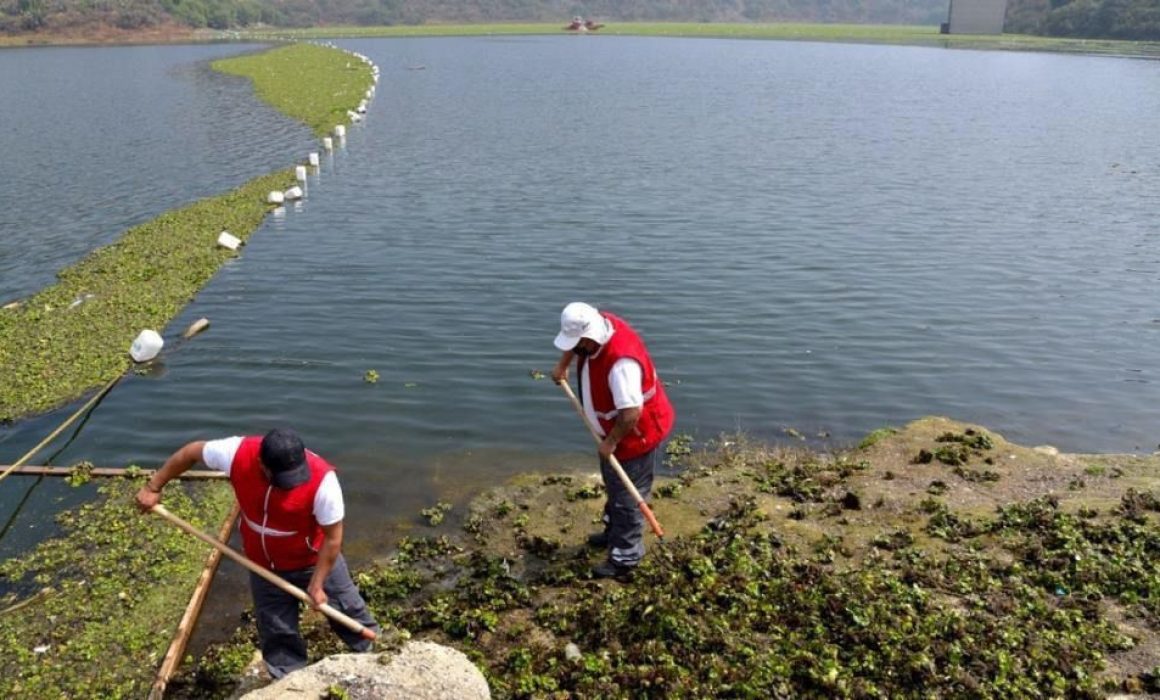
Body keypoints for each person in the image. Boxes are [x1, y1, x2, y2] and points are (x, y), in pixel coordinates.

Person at [136, 428, 379, 678]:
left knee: (348, 609)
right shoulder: (236, 453)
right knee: (276, 629)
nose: (292, 485)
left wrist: (317, 584)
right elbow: (191, 452)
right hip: (263, 565)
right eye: (284, 479)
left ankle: (377, 653)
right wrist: (154, 486)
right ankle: (287, 679)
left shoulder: (323, 482)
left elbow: (333, 539)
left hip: (313, 560)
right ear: (262, 464)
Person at [551, 302, 675, 581]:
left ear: (588, 339)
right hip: (613, 434)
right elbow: (577, 345)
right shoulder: (598, 325)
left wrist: (611, 442)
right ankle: (613, 532)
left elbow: (630, 414)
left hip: (635, 436)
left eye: (577, 344)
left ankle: (625, 558)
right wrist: (563, 365)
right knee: (614, 485)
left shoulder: (621, 364)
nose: (575, 348)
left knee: (627, 498)